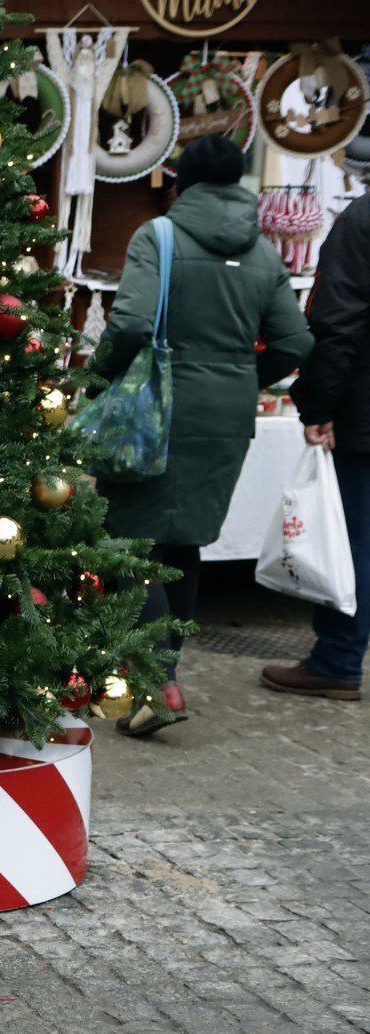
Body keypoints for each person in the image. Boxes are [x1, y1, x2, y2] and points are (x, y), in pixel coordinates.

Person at [90, 136, 314, 737]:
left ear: (181, 181)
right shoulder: (265, 252)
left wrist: (97, 380)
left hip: (159, 409)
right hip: (228, 412)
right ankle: (157, 676)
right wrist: (243, 376)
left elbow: (133, 322)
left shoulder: (157, 236)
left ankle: (156, 685)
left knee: (132, 542)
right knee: (183, 544)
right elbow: (295, 343)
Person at [262, 192, 370, 702]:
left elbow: (336, 321)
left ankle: (337, 661)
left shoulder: (362, 219)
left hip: (365, 415)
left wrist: (319, 407)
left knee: (357, 542)